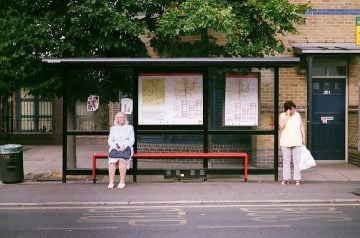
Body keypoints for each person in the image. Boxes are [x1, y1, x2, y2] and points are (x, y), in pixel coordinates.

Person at [279, 100, 305, 185]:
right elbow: (281, 127)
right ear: (288, 109)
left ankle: (297, 179)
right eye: (292, 109)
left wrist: (303, 137)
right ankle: (286, 179)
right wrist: (287, 116)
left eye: (294, 109)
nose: (294, 111)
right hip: (285, 141)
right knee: (286, 161)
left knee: (296, 161)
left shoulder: (297, 115)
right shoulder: (282, 115)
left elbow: (301, 126)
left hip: (296, 140)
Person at [107, 112, 135, 189]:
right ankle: (111, 182)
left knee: (121, 160)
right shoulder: (113, 128)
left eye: (123, 117)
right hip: (115, 148)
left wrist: (124, 146)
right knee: (112, 162)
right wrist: (115, 147)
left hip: (126, 148)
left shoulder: (130, 128)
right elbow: (110, 141)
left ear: (125, 118)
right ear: (117, 119)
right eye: (119, 117)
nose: (121, 118)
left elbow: (132, 140)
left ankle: (122, 181)